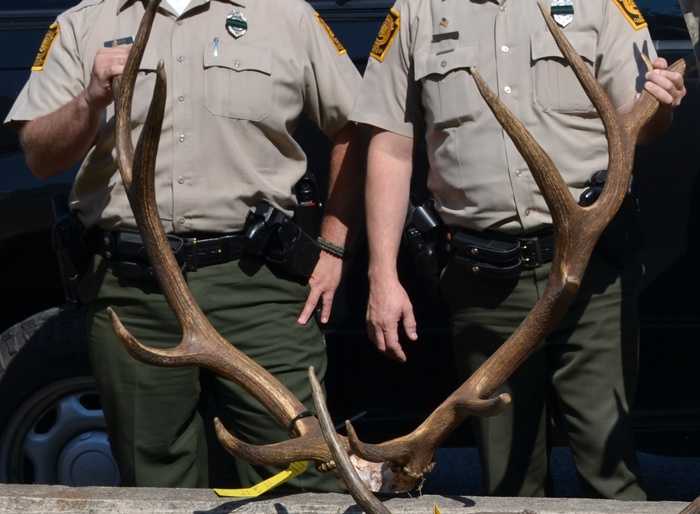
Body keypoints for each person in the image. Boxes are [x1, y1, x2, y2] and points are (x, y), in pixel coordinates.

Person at [5, 0, 362, 490]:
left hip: (257, 288)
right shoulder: (84, 23)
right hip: (136, 292)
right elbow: (40, 157)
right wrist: (90, 99)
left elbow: (356, 127)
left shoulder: (285, 15)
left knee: (301, 472)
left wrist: (334, 246)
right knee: (156, 480)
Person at [353, 0, 686, 499]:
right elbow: (390, 145)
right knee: (508, 480)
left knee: (609, 467)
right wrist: (383, 273)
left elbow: (642, 123)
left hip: (590, 272)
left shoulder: (604, 5)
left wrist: (663, 102)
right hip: (483, 281)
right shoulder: (418, 10)